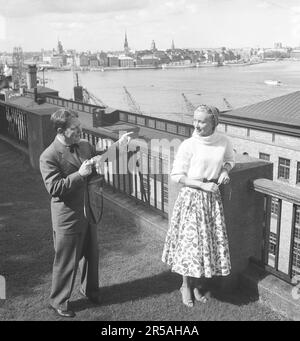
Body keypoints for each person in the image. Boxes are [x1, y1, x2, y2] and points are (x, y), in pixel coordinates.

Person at [40, 108, 131, 318]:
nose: (81, 130)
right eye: (76, 128)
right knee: (66, 261)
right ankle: (59, 301)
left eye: (80, 126)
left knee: (91, 255)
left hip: (89, 210)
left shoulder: (85, 146)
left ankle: (90, 291)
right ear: (61, 130)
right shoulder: (48, 156)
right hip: (68, 217)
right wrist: (80, 175)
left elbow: (99, 162)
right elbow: (54, 188)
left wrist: (118, 147)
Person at [161, 104, 235, 308]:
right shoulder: (188, 145)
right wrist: (202, 184)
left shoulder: (223, 142)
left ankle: (196, 286)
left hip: (211, 201)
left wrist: (225, 171)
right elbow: (176, 175)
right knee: (189, 246)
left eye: (202, 121)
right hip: (192, 198)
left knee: (204, 246)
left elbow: (230, 159)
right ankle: (185, 285)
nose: (197, 124)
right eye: (195, 120)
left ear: (214, 123)